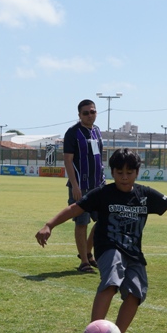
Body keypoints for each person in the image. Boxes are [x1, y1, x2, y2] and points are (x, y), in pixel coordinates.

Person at [36, 148, 167, 333]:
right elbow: (75, 208)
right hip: (109, 248)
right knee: (111, 282)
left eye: (129, 172)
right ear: (112, 172)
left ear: (137, 172)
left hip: (134, 253)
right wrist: (49, 225)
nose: (124, 177)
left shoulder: (144, 195)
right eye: (119, 172)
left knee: (135, 294)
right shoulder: (103, 193)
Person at [63, 99, 105, 273]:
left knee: (104, 219)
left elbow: (99, 158)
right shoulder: (73, 133)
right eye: (86, 112)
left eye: (92, 111)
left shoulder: (97, 131)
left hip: (98, 185)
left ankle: (87, 252)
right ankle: (84, 263)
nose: (90, 115)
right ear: (79, 115)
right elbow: (68, 160)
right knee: (82, 222)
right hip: (81, 186)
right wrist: (75, 186)